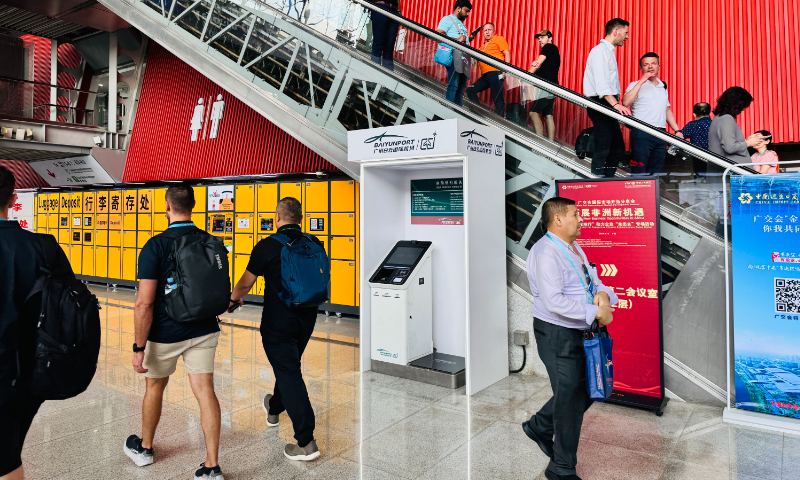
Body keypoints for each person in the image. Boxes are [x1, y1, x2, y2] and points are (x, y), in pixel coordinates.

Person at [126, 185, 225, 480]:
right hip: (206, 328)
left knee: (155, 387)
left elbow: (144, 303)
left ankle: (144, 449)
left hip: (166, 331)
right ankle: (212, 467)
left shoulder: (156, 245)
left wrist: (138, 346)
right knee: (205, 391)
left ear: (166, 206)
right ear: (193, 206)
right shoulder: (210, 240)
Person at [522, 197, 617, 480]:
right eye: (576, 214)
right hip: (557, 333)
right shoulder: (546, 253)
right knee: (570, 398)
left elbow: (592, 280)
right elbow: (554, 302)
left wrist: (604, 295)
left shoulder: (574, 247)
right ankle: (561, 467)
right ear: (558, 219)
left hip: (579, 330)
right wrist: (597, 312)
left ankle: (540, 425)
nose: (581, 219)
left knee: (586, 390)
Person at [229, 197, 324, 462]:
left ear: (277, 217)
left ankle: (306, 443)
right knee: (288, 367)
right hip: (307, 319)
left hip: (278, 323)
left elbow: (245, 284)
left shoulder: (267, 246)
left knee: (290, 373)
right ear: (301, 218)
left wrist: (233, 299)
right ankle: (274, 409)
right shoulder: (314, 244)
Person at [0, 167, 74, 480]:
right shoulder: (43, 247)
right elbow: (70, 306)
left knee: (5, 456)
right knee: (7, 448)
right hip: (27, 372)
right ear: (14, 198)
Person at [583, 18, 632, 178]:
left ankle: (608, 180)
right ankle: (598, 181)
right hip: (601, 103)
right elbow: (601, 83)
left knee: (617, 148)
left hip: (607, 103)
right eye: (625, 33)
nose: (627, 37)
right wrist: (615, 104)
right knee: (603, 147)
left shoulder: (608, 52)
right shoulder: (600, 52)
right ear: (615, 31)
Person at [621, 52, 684, 175]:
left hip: (661, 134)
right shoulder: (635, 85)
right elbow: (625, 102)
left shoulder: (662, 86)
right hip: (641, 133)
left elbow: (666, 110)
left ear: (659, 66)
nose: (650, 67)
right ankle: (637, 194)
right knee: (639, 171)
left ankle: (650, 195)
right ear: (641, 69)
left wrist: (677, 130)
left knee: (655, 172)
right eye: (646, 65)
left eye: (653, 63)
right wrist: (642, 81)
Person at [708, 86, 766, 164]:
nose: (742, 110)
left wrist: (747, 140)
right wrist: (749, 143)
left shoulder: (719, 118)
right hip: (733, 171)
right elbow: (730, 147)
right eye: (742, 107)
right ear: (736, 104)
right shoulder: (726, 119)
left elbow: (728, 143)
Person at [436, 0, 476, 106]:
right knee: (454, 84)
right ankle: (449, 109)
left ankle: (457, 110)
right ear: (458, 8)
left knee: (461, 88)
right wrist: (457, 40)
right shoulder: (447, 19)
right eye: (466, 11)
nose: (468, 14)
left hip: (464, 58)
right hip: (454, 55)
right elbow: (439, 35)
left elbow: (463, 41)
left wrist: (470, 39)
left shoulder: (462, 25)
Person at [465, 23, 509, 116]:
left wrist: (505, 70)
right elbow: (476, 54)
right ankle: (478, 114)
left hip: (496, 73)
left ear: (494, 31)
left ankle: (499, 123)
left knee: (498, 100)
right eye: (485, 30)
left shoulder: (499, 39)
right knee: (470, 90)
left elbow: (507, 54)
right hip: (486, 76)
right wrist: (472, 58)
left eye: (489, 30)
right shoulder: (483, 45)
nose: (487, 32)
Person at [528, 29, 560, 141]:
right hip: (554, 86)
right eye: (539, 38)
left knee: (533, 113)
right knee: (548, 115)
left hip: (546, 85)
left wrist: (524, 76)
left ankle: (539, 142)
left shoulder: (548, 47)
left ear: (550, 38)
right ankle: (550, 144)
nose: (540, 40)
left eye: (542, 37)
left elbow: (538, 63)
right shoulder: (555, 50)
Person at [681, 102, 712, 178]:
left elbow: (681, 136)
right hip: (715, 157)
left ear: (694, 114)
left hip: (698, 157)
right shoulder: (715, 124)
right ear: (710, 113)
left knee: (700, 177)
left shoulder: (692, 125)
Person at [370, 0, 401, 71]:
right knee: (378, 44)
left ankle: (387, 77)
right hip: (381, 6)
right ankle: (373, 74)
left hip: (394, 10)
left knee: (389, 48)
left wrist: (398, 11)